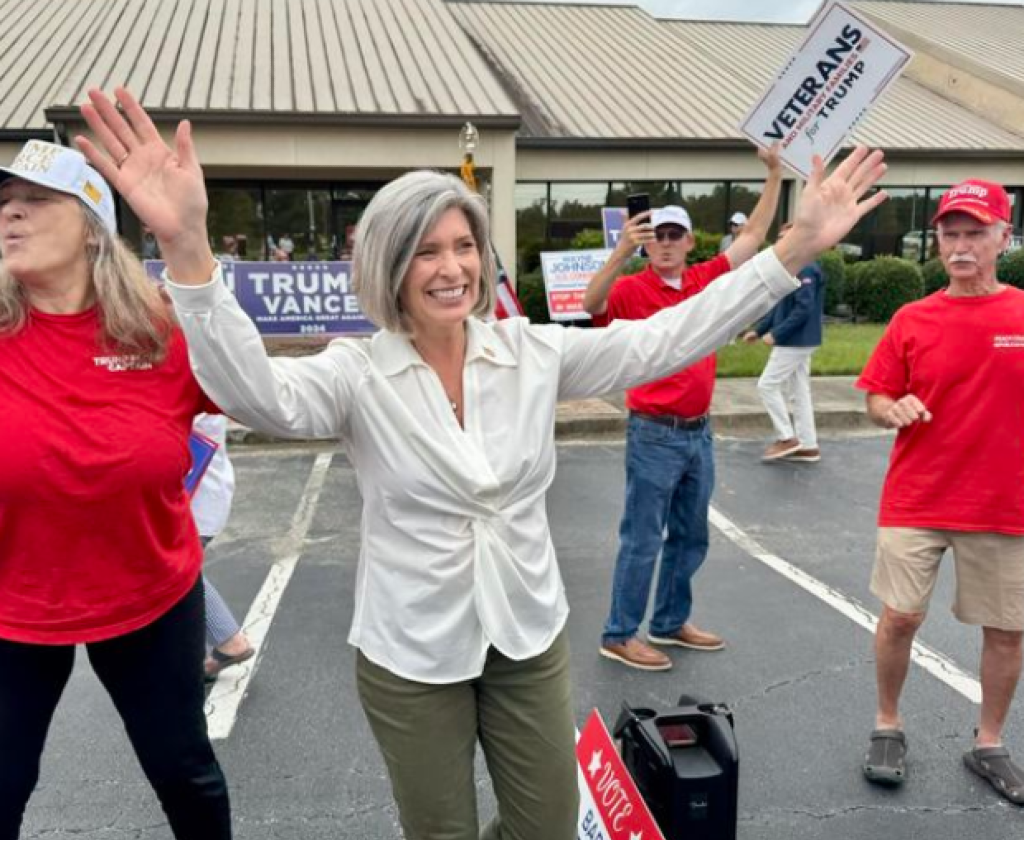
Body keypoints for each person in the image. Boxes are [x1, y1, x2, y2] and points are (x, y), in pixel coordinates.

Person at [76, 86, 886, 839]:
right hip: (411, 653)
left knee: (544, 824)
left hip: (526, 634)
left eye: (465, 245)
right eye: (427, 250)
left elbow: (661, 338)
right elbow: (254, 395)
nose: (453, 267)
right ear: (391, 265)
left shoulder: (528, 352)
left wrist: (791, 249)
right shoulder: (356, 373)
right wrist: (187, 248)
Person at [0, 140, 231, 838]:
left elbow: (264, 394)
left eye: (36, 201)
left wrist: (190, 242)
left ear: (93, 223)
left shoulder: (161, 330)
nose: (11, 215)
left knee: (187, 773)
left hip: (150, 595)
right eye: (4, 204)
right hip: (14, 609)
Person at [584, 145, 785, 671]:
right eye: (657, 237)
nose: (667, 244)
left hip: (699, 432)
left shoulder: (705, 281)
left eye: (675, 235)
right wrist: (619, 253)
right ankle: (619, 632)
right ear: (647, 244)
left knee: (691, 534)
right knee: (643, 537)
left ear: (691, 242)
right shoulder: (630, 289)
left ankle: (670, 622)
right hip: (653, 432)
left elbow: (752, 240)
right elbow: (589, 305)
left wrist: (773, 175)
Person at [856, 179, 1024, 805]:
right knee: (900, 616)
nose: (960, 246)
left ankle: (989, 743)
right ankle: (887, 725)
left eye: (975, 233)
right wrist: (888, 408)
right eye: (950, 234)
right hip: (918, 496)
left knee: (1007, 632)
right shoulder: (913, 318)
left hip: (1004, 503)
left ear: (1003, 238)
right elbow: (876, 394)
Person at [743, 221, 826, 463]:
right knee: (799, 392)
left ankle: (786, 437)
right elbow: (780, 307)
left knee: (766, 385)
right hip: (798, 340)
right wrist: (759, 331)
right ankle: (808, 445)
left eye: (786, 237)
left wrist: (776, 334)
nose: (781, 241)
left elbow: (803, 309)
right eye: (779, 237)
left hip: (795, 341)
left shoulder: (806, 269)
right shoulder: (792, 268)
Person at [190, 414, 254, 682]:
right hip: (198, 495)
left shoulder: (187, 375)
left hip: (192, 497)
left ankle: (229, 640)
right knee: (171, 573)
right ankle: (227, 641)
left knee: (171, 574)